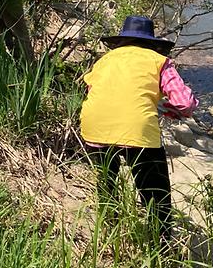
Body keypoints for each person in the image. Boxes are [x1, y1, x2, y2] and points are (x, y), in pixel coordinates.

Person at [80, 16, 198, 242]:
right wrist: (172, 110)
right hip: (137, 130)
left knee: (106, 185)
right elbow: (185, 103)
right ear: (152, 43)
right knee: (155, 195)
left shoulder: (104, 60)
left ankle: (110, 237)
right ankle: (161, 245)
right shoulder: (159, 61)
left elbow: (92, 91)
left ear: (122, 40)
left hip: (94, 126)